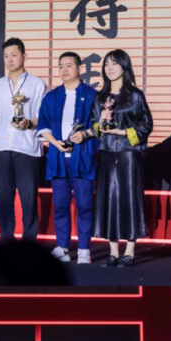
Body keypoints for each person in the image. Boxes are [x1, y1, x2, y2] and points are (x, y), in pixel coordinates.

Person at [89, 49, 153, 268]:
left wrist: (124, 132)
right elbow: (93, 127)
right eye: (106, 64)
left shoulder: (135, 96)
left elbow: (147, 124)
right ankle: (113, 251)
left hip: (129, 154)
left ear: (124, 67)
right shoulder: (99, 97)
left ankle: (130, 251)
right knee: (109, 198)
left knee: (130, 198)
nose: (109, 68)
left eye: (114, 63)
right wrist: (101, 122)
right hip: (107, 154)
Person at [37, 51, 99, 264]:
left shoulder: (93, 95)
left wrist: (85, 134)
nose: (64, 70)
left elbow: (102, 125)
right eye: (61, 66)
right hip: (58, 159)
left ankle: (83, 249)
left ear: (79, 69)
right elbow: (43, 125)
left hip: (82, 159)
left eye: (69, 65)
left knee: (85, 206)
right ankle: (62, 247)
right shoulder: (51, 96)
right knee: (61, 206)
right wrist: (55, 143)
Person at [0, 37, 47, 243]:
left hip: (27, 149)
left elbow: (44, 117)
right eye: (6, 56)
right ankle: (7, 242)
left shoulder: (37, 84)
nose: (9, 59)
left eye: (14, 55)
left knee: (29, 200)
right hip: (2, 148)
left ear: (24, 56)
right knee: (2, 200)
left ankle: (29, 244)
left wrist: (29, 123)